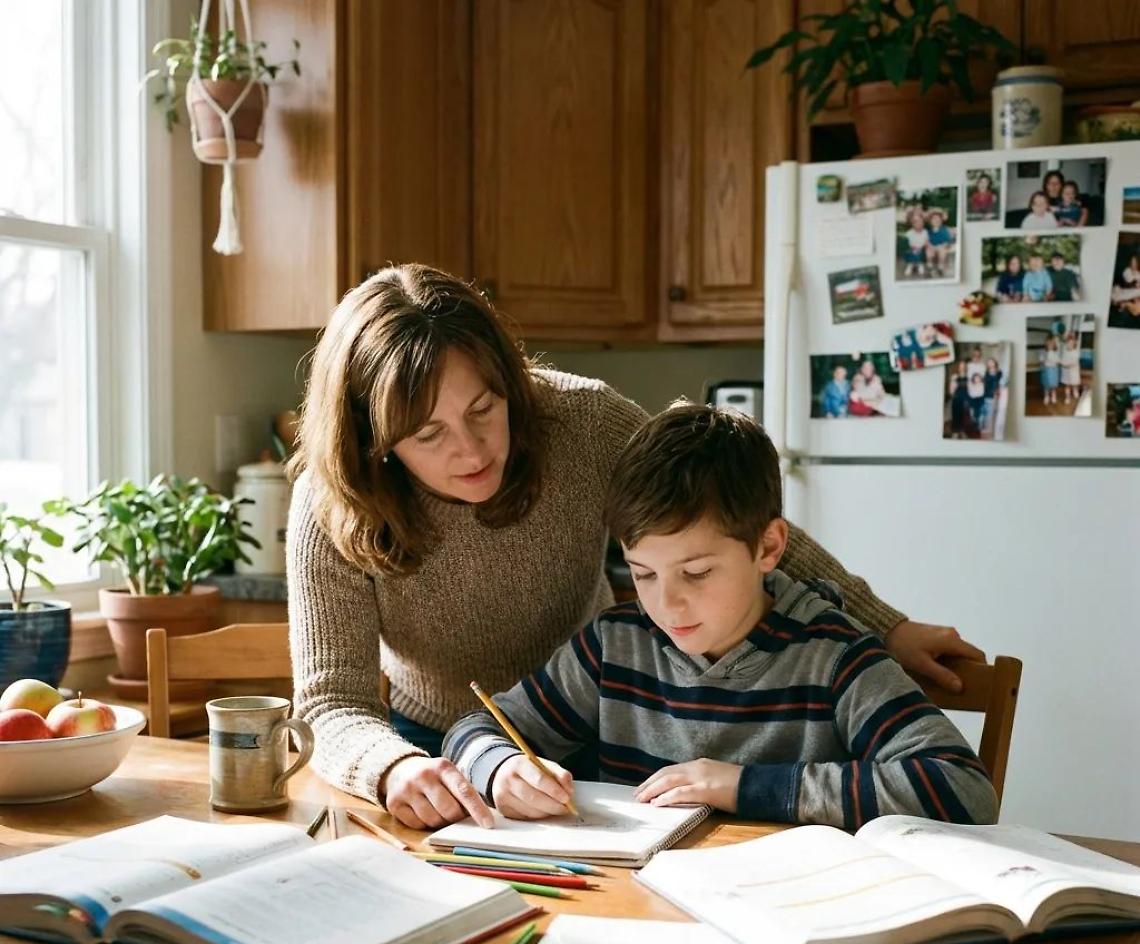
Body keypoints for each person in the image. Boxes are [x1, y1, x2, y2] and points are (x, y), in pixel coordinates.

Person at [286, 264, 984, 829]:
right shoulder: (334, 500)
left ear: (510, 385)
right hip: (440, 746)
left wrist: (884, 623)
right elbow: (333, 700)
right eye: (428, 435)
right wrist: (395, 767)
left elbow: (717, 511)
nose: (470, 450)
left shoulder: (583, 423)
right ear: (375, 442)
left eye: (482, 409)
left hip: (602, 731)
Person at [442, 403, 998, 828]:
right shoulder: (615, 646)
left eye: (699, 572)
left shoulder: (832, 655)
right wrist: (498, 768)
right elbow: (473, 728)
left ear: (769, 547)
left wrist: (743, 786)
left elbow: (962, 789)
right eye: (644, 574)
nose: (667, 604)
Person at [924, 208, 954, 276]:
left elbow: (947, 240)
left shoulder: (943, 229)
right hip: (932, 246)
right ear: (930, 221)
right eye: (934, 219)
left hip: (941, 246)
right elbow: (926, 240)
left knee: (942, 253)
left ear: (941, 221)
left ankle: (940, 266)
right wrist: (929, 245)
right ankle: (929, 266)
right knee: (928, 252)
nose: (936, 220)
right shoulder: (929, 231)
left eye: (938, 219)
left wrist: (943, 245)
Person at [902, 206, 929, 278]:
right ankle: (910, 265)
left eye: (920, 222)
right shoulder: (909, 233)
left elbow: (926, 241)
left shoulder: (925, 232)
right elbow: (907, 243)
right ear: (912, 224)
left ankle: (920, 265)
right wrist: (913, 247)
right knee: (912, 252)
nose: (918, 224)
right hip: (912, 248)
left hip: (922, 248)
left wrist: (923, 247)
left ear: (923, 223)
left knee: (919, 253)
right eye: (916, 223)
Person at [1039, 334, 1062, 407]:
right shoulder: (1043, 352)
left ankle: (1053, 395)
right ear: (1046, 344)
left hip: (1054, 370)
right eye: (1048, 344)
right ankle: (1046, 396)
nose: (1050, 345)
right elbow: (1041, 360)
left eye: (1052, 344)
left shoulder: (1055, 353)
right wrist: (1043, 360)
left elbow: (1058, 360)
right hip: (1046, 370)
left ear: (1054, 344)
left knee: (1053, 384)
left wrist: (1057, 361)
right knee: (1046, 385)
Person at [1060, 333, 1082, 405]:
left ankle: (1076, 394)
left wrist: (1066, 364)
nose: (1069, 345)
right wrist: (1062, 362)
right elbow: (1063, 360)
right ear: (1066, 344)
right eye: (1068, 343)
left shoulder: (1075, 353)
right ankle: (1067, 397)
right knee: (1067, 386)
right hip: (1066, 372)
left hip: (1073, 372)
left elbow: (1074, 362)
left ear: (1074, 344)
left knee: (1074, 385)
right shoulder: (1065, 352)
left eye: (1071, 344)